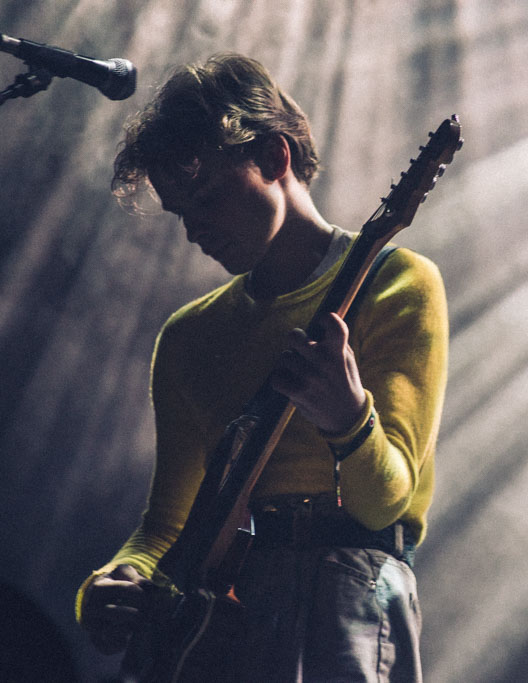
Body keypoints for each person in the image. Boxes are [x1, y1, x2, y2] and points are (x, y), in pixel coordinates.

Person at [75, 53, 448, 681]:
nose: (194, 230)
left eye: (208, 198)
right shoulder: (189, 336)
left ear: (276, 158)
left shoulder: (399, 282)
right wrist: (115, 582)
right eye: (180, 212)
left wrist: (350, 421)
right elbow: (169, 525)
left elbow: (384, 506)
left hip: (356, 593)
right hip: (235, 615)